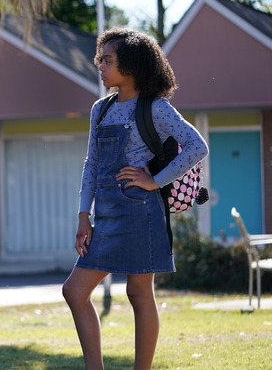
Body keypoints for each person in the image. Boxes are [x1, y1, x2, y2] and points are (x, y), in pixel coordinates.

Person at [62, 28, 209, 369]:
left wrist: (154, 181)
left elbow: (197, 146)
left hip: (142, 214)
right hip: (106, 217)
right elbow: (92, 164)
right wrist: (84, 216)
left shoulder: (155, 107)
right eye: (100, 60)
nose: (100, 66)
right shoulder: (100, 109)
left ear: (130, 65)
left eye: (107, 60)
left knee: (138, 294)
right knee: (74, 292)